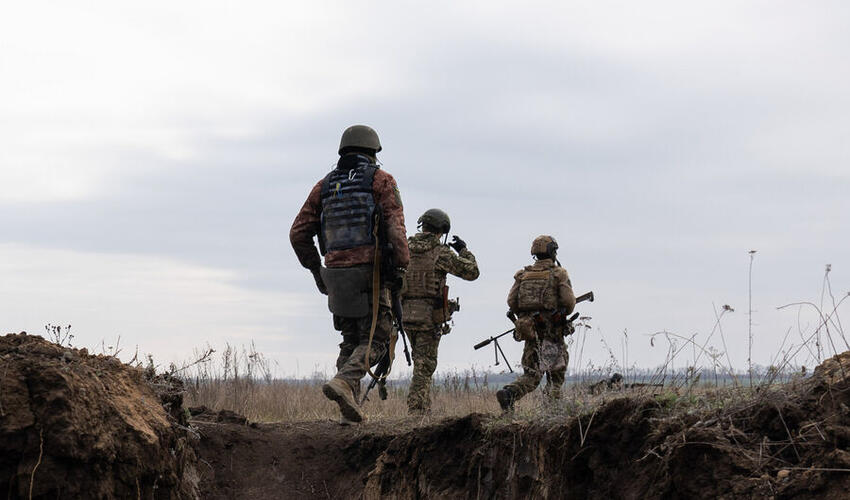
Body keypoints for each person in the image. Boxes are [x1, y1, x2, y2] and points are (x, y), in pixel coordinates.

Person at [290, 124, 408, 423]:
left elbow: (298, 233)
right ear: (373, 152)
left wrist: (318, 271)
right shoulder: (381, 181)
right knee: (378, 340)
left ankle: (349, 409)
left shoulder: (324, 186)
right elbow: (396, 230)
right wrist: (402, 266)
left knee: (350, 340)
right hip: (371, 275)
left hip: (337, 276)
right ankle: (344, 383)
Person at [402, 209, 479, 414]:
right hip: (428, 317)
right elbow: (472, 272)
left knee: (420, 362)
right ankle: (416, 410)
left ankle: (423, 410)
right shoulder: (441, 252)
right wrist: (463, 250)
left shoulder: (404, 249)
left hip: (405, 315)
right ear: (442, 230)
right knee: (425, 365)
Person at [497, 235, 576, 411]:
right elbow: (569, 303)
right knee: (556, 375)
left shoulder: (522, 275)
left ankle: (510, 393)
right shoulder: (558, 274)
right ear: (552, 251)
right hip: (552, 333)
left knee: (531, 375)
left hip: (530, 332)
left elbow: (512, 302)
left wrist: (527, 316)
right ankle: (552, 411)